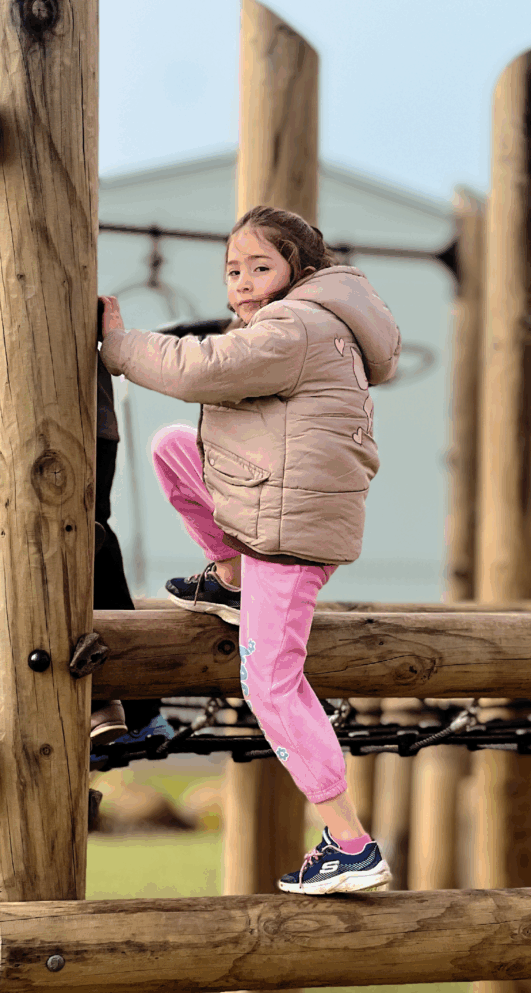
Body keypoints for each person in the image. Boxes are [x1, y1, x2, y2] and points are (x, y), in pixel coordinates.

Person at [99, 205, 400, 896]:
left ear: (302, 270)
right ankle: (229, 578)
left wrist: (119, 346)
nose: (241, 282)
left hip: (287, 538)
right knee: (175, 448)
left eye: (259, 267)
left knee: (270, 684)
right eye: (233, 270)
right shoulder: (306, 324)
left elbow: (203, 370)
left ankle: (350, 843)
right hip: (271, 520)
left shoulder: (295, 325)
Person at [91, 303, 175, 750]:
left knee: (85, 541)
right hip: (83, 423)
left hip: (67, 425)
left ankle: (124, 705)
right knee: (91, 539)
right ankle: (134, 709)